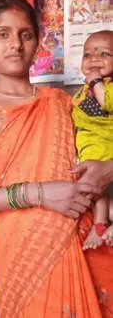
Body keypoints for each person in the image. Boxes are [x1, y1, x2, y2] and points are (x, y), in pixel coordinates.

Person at [0, 0, 113, 317]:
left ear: (37, 43)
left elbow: (103, 141)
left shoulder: (64, 100)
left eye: (25, 34)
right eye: (2, 34)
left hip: (87, 238)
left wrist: (109, 169)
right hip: (21, 252)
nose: (15, 44)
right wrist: (38, 193)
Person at [72, 30, 113, 250]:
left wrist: (96, 80)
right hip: (91, 149)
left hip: (107, 147)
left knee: (97, 190)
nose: (94, 59)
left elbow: (106, 102)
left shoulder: (107, 88)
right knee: (97, 194)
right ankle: (101, 226)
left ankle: (100, 226)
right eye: (87, 55)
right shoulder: (82, 91)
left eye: (104, 54)